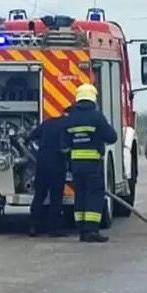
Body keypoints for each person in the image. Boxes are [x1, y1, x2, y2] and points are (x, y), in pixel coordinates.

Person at [60, 83, 118, 243]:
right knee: (94, 195)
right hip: (93, 165)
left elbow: (64, 145)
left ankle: (82, 231)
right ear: (93, 98)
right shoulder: (96, 116)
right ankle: (92, 231)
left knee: (80, 195)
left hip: (76, 166)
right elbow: (112, 137)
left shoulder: (70, 117)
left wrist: (70, 159)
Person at [27, 110, 69, 237]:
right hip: (57, 165)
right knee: (56, 198)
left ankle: (33, 227)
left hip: (42, 164)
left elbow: (31, 136)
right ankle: (54, 229)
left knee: (39, 196)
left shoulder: (48, 123)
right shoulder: (67, 127)